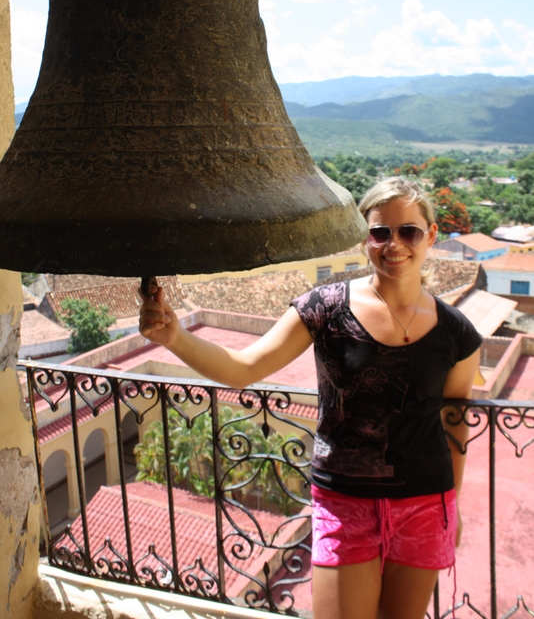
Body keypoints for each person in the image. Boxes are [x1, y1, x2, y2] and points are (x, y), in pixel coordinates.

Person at [138, 176, 481, 619]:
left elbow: (454, 422)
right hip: (344, 502)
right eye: (380, 232)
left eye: (408, 232)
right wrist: (174, 337)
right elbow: (243, 368)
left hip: (425, 503)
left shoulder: (456, 332)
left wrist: (451, 505)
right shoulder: (326, 308)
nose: (394, 244)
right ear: (365, 237)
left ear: (430, 236)